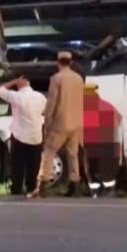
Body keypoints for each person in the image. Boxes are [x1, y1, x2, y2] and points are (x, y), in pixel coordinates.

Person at [29, 50, 84, 198]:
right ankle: (75, 186)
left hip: (60, 123)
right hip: (76, 123)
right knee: (73, 155)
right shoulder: (79, 78)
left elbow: (51, 103)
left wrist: (47, 125)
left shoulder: (56, 78)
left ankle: (42, 187)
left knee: (48, 153)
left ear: (58, 62)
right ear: (71, 62)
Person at [0, 72, 46, 195]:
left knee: (18, 165)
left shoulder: (16, 96)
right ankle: (31, 189)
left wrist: (13, 82)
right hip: (36, 137)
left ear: (20, 82)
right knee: (33, 165)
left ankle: (16, 190)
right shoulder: (41, 97)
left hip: (19, 136)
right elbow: (45, 112)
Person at [82, 82, 123, 197]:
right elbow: (119, 119)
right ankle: (109, 191)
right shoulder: (108, 105)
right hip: (110, 143)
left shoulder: (87, 107)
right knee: (108, 170)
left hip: (94, 144)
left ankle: (95, 192)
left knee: (93, 169)